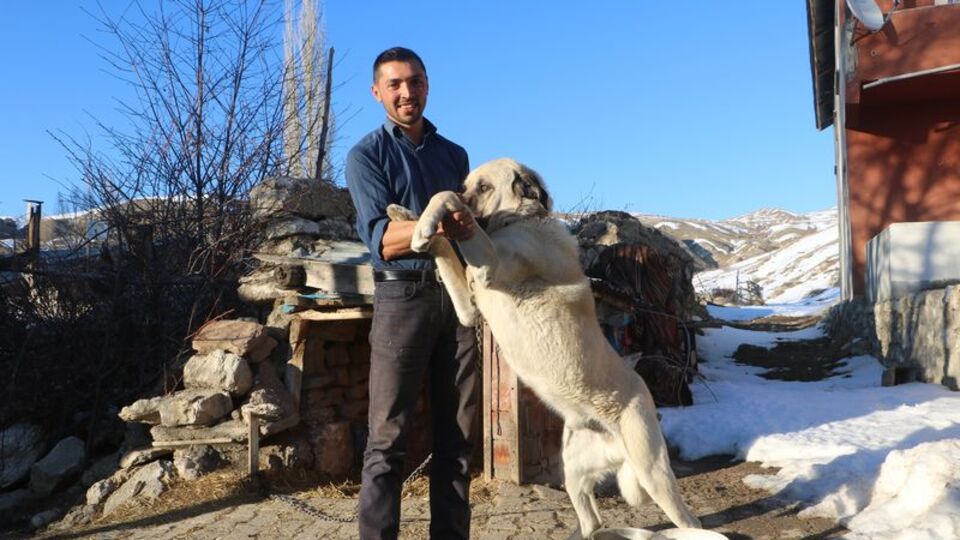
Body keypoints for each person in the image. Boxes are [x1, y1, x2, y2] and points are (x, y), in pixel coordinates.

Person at [345, 47, 480, 540]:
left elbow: (468, 229)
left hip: (458, 299)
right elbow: (381, 240)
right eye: (395, 84)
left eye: (416, 81)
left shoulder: (455, 156)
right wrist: (436, 224)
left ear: (427, 85)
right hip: (402, 300)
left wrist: (464, 225)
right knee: (387, 441)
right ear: (377, 92)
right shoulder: (365, 156)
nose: (407, 93)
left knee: (459, 441)